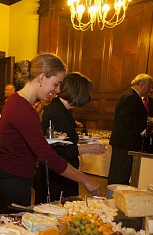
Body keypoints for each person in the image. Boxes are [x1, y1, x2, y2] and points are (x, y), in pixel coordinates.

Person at [0, 53, 101, 215]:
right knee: (10, 231)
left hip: (12, 176)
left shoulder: (17, 101)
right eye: (56, 84)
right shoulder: (23, 109)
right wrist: (86, 180)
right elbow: (48, 157)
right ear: (42, 77)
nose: (57, 90)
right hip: (12, 180)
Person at [34, 72, 106, 204]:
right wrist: (86, 149)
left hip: (64, 174)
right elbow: (56, 152)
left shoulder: (63, 110)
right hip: (57, 177)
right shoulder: (57, 112)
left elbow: (65, 141)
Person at [108, 74, 153, 185]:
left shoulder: (129, 95)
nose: (151, 90)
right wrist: (142, 131)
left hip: (123, 143)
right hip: (126, 143)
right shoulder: (132, 97)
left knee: (119, 174)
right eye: (150, 86)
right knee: (120, 176)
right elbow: (126, 118)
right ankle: (115, 198)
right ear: (142, 84)